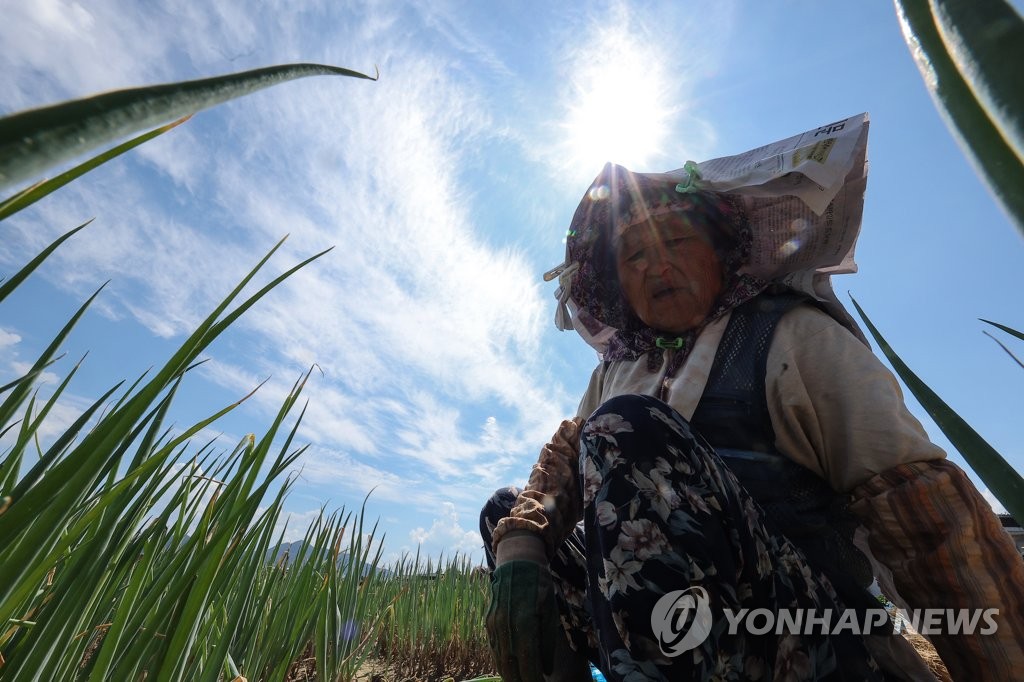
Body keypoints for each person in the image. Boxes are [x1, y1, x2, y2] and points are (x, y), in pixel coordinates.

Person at [479, 163, 1024, 681]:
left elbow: (926, 521)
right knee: (508, 516)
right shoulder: (616, 373)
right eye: (634, 255)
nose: (656, 266)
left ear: (722, 251)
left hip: (805, 638)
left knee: (628, 427)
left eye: (675, 241)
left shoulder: (795, 337)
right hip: (678, 641)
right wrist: (521, 545)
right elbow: (561, 469)